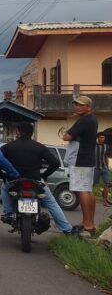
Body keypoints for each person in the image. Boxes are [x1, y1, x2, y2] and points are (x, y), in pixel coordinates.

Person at [0, 123, 74, 235]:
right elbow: (55, 163)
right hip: (36, 182)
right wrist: (44, 175)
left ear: (18, 132)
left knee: (4, 188)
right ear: (31, 133)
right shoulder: (39, 147)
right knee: (52, 204)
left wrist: (3, 176)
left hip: (14, 182)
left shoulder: (9, 146)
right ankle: (67, 229)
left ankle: (8, 213)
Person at [62, 96, 98, 236]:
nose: (76, 107)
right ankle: (88, 222)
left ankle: (88, 224)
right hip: (88, 159)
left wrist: (67, 132)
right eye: (75, 104)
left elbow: (67, 137)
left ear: (88, 107)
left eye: (80, 105)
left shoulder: (84, 120)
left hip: (80, 160)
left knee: (81, 190)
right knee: (88, 190)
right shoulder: (93, 119)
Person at [94, 132, 111, 207]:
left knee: (107, 184)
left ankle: (104, 201)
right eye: (100, 137)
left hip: (104, 168)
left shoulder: (106, 146)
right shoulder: (93, 146)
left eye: (103, 138)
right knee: (93, 184)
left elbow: (106, 157)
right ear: (97, 138)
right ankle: (91, 199)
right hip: (95, 168)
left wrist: (107, 167)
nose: (102, 139)